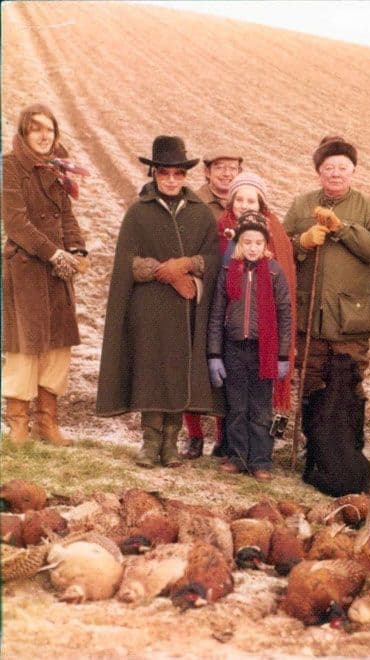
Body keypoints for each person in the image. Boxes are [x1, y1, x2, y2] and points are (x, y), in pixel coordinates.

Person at [96, 135, 221, 468]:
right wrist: (162, 270)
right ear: (153, 173)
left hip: (186, 309)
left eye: (177, 174)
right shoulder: (138, 213)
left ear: (185, 175)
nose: (170, 180)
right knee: (152, 372)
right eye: (164, 173)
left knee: (179, 371)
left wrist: (188, 268)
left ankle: (171, 443)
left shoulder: (200, 214)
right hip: (148, 308)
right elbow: (127, 261)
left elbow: (213, 257)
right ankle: (150, 443)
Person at [283, 135, 370, 448]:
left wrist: (341, 229)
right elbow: (280, 248)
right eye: (329, 167)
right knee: (311, 381)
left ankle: (349, 447)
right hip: (310, 314)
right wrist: (301, 243)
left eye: (343, 167)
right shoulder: (302, 204)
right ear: (319, 172)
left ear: (353, 172)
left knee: (351, 383)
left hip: (350, 318)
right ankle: (314, 447)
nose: (336, 173)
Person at [2, 103, 88, 447]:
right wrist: (54, 253)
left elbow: (67, 217)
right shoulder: (8, 167)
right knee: (24, 349)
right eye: (36, 128)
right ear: (24, 133)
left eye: (49, 130)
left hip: (57, 275)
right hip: (24, 270)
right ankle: (18, 426)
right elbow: (16, 223)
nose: (43, 135)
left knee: (57, 348)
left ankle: (46, 423)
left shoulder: (57, 170)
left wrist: (78, 250)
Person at [206, 211, 292, 480]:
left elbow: (285, 314)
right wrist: (214, 353)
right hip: (233, 348)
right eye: (247, 242)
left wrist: (282, 355)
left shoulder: (275, 273)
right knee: (237, 406)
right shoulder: (229, 271)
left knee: (261, 408)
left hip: (263, 351)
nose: (253, 248)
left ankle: (261, 460)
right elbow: (217, 313)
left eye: (258, 243)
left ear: (266, 245)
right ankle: (238, 456)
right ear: (239, 244)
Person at [181, 148, 244, 458]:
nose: (226, 173)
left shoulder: (244, 204)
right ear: (206, 172)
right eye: (219, 167)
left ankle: (223, 437)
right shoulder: (193, 203)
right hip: (200, 290)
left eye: (232, 167)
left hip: (232, 297)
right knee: (193, 361)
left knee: (226, 363)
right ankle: (193, 435)